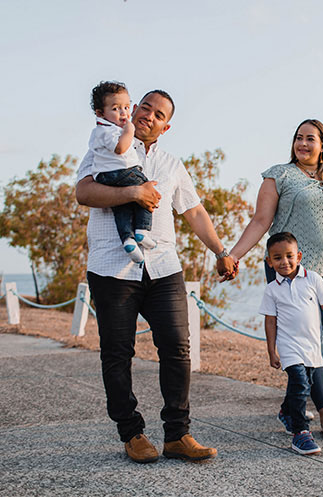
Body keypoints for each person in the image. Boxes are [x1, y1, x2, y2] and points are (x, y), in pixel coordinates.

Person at [76, 89, 237, 463]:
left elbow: (194, 212)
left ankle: (177, 434)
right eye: (144, 107)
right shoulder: (106, 145)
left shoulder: (171, 164)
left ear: (166, 126)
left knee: (178, 349)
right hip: (112, 268)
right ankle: (131, 434)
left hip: (164, 268)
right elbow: (84, 192)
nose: (148, 114)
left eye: (158, 113)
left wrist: (221, 252)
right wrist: (134, 191)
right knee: (117, 354)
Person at [229, 119, 323, 437]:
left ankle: (293, 404)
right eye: (298, 138)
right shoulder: (279, 175)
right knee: (309, 342)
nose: (303, 143)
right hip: (288, 271)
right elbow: (261, 221)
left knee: (306, 342)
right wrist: (234, 256)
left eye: (310, 139)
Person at [260, 232, 323, 455]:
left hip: (312, 346)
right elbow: (270, 321)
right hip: (288, 346)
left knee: (304, 382)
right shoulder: (271, 290)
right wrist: (272, 351)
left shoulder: (313, 279)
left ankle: (287, 412)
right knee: (300, 382)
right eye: (277, 258)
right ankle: (300, 433)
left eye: (289, 256)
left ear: (298, 256)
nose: (284, 262)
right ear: (269, 261)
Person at [89, 81, 155, 265]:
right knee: (146, 188)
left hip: (107, 177)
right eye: (116, 109)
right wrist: (129, 130)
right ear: (100, 113)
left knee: (122, 207)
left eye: (126, 107)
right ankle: (142, 230)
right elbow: (120, 148)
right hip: (120, 172)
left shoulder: (104, 130)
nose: (124, 113)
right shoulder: (106, 130)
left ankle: (128, 241)